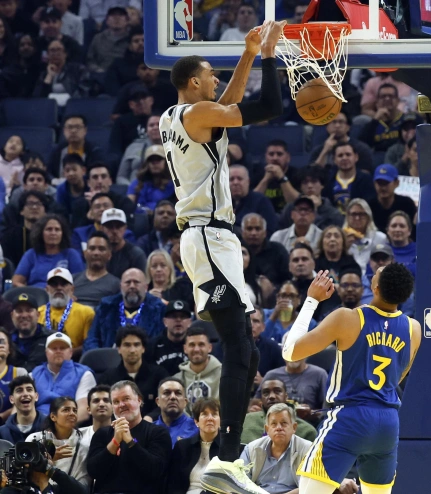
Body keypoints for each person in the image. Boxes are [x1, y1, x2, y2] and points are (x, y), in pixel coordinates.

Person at [162, 20, 287, 493]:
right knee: (239, 346)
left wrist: (249, 53)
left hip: (211, 240)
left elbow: (228, 103)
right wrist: (271, 55)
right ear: (194, 81)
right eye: (211, 74)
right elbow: (267, 106)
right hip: (208, 238)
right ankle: (227, 458)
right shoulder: (196, 115)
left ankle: (228, 459)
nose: (216, 79)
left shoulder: (174, 116)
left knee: (248, 349)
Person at [280, 264, 420, 494]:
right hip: (387, 423)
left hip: (350, 417)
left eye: (375, 274)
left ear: (375, 288)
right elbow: (398, 376)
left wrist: (311, 301)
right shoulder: (413, 329)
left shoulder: (348, 318)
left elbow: (290, 351)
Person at [86, 381, 172, 494]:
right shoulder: (102, 434)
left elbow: (156, 471)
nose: (121, 405)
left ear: (139, 400)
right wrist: (115, 441)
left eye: (126, 398)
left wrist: (130, 441)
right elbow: (93, 471)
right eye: (116, 402)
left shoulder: (158, 432)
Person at [25, 396, 91, 486]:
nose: (72, 413)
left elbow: (84, 484)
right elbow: (25, 472)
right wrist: (48, 460)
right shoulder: (34, 439)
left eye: (74, 410)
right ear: (53, 416)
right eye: (66, 410)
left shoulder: (84, 445)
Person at [167, 397, 222, 494]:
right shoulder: (182, 446)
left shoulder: (227, 448)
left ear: (220, 421)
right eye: (204, 414)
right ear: (196, 421)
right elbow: (173, 484)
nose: (210, 418)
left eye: (214, 414)